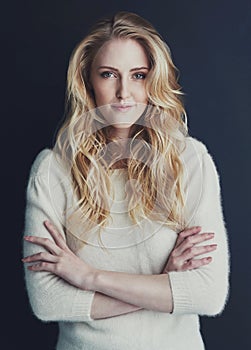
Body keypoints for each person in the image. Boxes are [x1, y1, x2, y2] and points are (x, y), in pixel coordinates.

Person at [22, 11, 230, 350]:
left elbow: (208, 294)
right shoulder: (52, 169)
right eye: (108, 75)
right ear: (88, 82)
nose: (123, 93)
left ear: (154, 80)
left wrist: (89, 278)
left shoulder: (190, 160)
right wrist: (162, 282)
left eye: (138, 75)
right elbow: (48, 302)